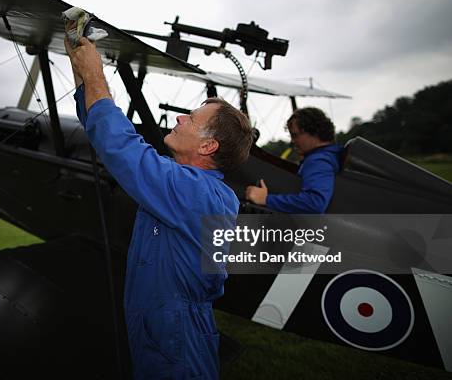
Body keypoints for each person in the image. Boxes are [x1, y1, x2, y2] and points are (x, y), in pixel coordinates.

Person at [65, 36, 253, 379]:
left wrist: (94, 74)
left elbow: (120, 145)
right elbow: (104, 132)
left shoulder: (194, 192)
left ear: (208, 146)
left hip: (175, 335)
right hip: (166, 326)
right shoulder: (196, 188)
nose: (181, 118)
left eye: (192, 120)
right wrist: (82, 73)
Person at [245, 107, 343, 213]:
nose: (292, 141)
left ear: (314, 132)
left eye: (295, 135)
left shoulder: (319, 161)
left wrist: (266, 199)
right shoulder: (329, 155)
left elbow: (315, 203)